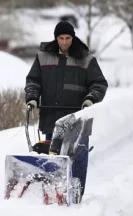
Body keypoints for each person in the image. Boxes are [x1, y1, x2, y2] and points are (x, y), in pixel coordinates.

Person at [24, 21, 108, 203]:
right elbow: (33, 81)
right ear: (56, 38)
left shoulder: (86, 59)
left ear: (73, 37)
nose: (64, 42)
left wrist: (90, 100)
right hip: (51, 117)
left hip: (78, 118)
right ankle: (54, 197)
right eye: (60, 38)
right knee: (52, 157)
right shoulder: (43, 57)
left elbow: (99, 84)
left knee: (78, 157)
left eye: (68, 38)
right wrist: (31, 97)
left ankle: (76, 196)